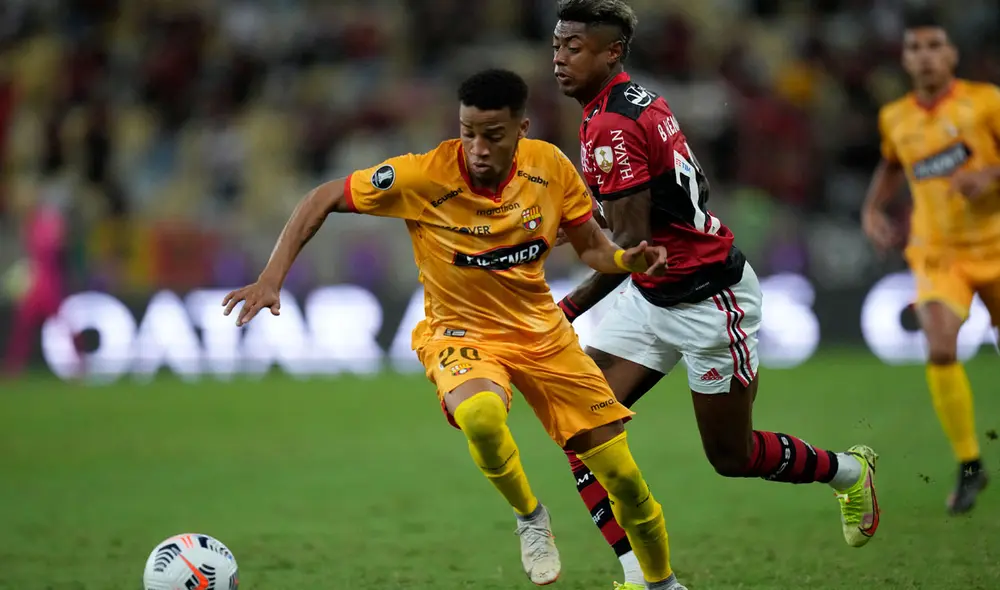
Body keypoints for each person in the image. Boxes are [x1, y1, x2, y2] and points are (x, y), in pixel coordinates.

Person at [222, 69, 688, 590]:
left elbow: (591, 248)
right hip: (459, 333)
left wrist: (628, 259)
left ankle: (660, 583)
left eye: (492, 134)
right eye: (468, 131)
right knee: (482, 416)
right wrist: (271, 278)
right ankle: (531, 516)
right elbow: (323, 197)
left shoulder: (551, 168)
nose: (478, 147)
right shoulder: (423, 176)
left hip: (543, 334)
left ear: (522, 129)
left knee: (622, 475)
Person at [549, 2, 881, 587]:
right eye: (557, 44)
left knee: (731, 456)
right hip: (653, 294)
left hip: (708, 301)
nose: (559, 57)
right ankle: (643, 576)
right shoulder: (632, 101)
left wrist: (567, 309)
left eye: (574, 47)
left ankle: (848, 472)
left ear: (612, 53)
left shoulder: (611, 125)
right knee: (582, 423)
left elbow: (629, 247)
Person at [862, 10, 1000, 515]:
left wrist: (990, 176)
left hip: (997, 244)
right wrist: (872, 207)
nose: (924, 55)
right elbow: (893, 164)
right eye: (914, 48)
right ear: (904, 59)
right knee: (940, 347)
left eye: (934, 46)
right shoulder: (895, 116)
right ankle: (970, 463)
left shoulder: (986, 102)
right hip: (940, 254)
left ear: (951, 55)